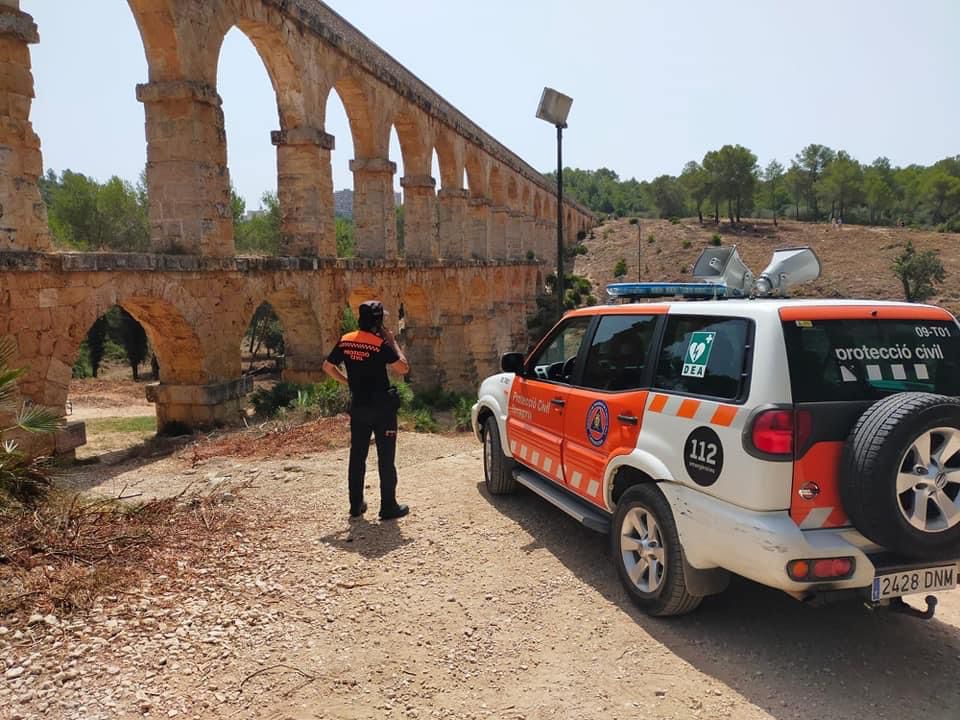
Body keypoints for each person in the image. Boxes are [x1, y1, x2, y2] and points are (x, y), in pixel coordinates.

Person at [322, 300, 411, 521]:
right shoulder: (379, 344)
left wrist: (347, 382)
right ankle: (388, 506)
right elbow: (403, 368)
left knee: (357, 456)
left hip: (359, 407)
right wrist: (393, 342)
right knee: (385, 458)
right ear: (378, 321)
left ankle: (355, 505)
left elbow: (327, 367)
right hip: (382, 409)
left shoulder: (346, 340)